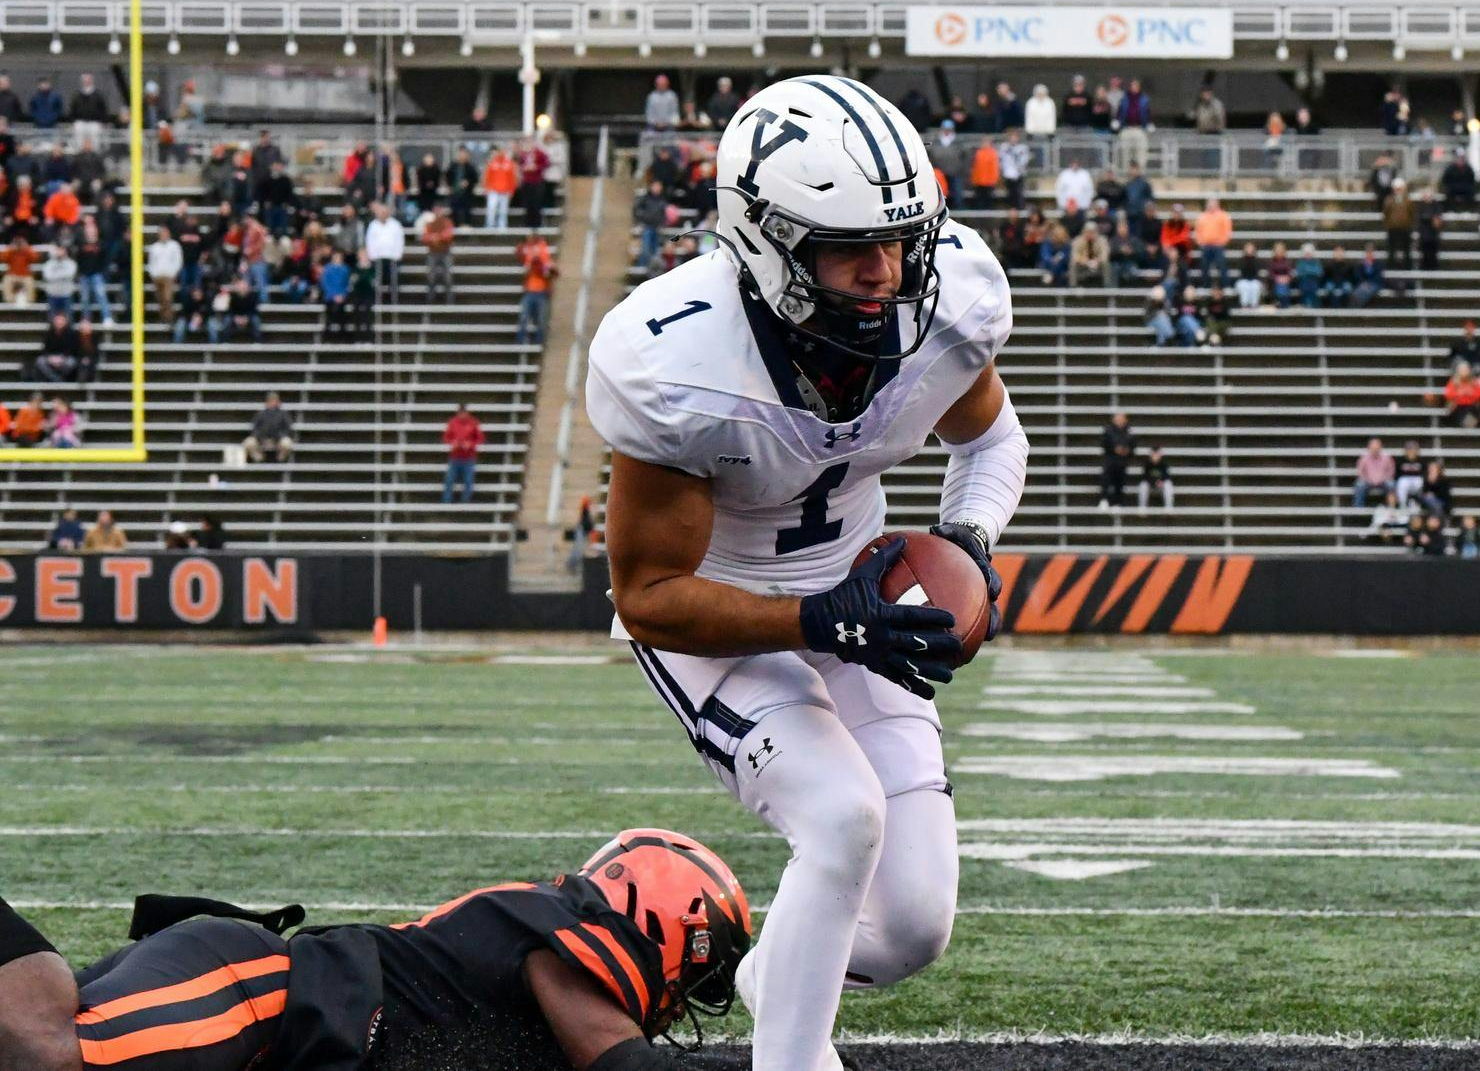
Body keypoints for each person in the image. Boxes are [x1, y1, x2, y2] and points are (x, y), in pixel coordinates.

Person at [584, 75, 1024, 1071]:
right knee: (842, 813)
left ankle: (766, 975)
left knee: (909, 925)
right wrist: (820, 618)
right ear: (765, 238)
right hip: (720, 618)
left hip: (855, 596)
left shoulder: (945, 304)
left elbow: (993, 442)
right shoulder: (683, 362)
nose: (883, 270)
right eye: (847, 245)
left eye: (898, 238)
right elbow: (648, 594)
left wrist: (966, 540)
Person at [0, 829, 751, 1071]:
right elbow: (622, 1061)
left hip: (269, 1033)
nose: (682, 1001)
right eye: (698, 970)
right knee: (51, 1053)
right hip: (259, 993)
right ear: (659, 918)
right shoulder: (561, 935)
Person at [516, 231, 556, 345]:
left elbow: (550, 273)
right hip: (531, 291)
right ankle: (522, 340)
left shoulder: (543, 256)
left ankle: (538, 342)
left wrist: (542, 268)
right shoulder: (530, 255)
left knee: (540, 320)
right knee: (525, 317)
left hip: (541, 292)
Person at [363, 201, 405, 304]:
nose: (382, 214)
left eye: (384, 212)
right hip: (377, 258)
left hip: (392, 257)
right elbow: (369, 241)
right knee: (377, 280)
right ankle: (377, 300)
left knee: (393, 280)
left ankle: (393, 301)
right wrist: (372, 256)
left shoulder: (396, 225)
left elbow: (400, 241)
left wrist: (397, 255)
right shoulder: (373, 225)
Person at [442, 402, 485, 503]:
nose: (462, 415)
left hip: (469, 457)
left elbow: (480, 438)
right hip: (455, 456)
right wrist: (453, 443)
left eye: (463, 413)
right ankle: (446, 501)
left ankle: (465, 502)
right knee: (449, 480)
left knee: (468, 481)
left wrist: (470, 444)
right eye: (460, 413)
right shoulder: (452, 422)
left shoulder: (473, 422)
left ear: (467, 413)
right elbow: (446, 437)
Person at [419, 202, 456, 303]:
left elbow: (449, 234)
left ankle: (450, 301)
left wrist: (436, 237)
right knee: (431, 278)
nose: (438, 212)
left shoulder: (447, 221)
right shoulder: (428, 223)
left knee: (448, 278)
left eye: (439, 210)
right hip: (433, 252)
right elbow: (424, 237)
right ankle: (430, 300)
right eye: (436, 210)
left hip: (445, 252)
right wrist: (434, 237)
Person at [1098, 411, 1135, 508]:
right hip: (1110, 459)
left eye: (1122, 418)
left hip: (1122, 461)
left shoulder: (1129, 431)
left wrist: (1128, 451)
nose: (1120, 420)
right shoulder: (1108, 430)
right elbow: (1104, 444)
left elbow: (1133, 445)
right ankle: (1104, 500)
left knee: (1120, 482)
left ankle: (1118, 503)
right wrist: (1114, 449)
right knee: (1106, 480)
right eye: (1118, 418)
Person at [244, 391, 294, 463]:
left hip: (278, 441)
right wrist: (260, 437)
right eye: (271, 401)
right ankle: (259, 459)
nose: (273, 403)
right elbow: (254, 429)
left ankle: (280, 459)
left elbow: (288, 429)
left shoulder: (284, 415)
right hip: (262, 440)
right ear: (267, 402)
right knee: (248, 442)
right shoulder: (260, 414)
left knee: (287, 443)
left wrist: (278, 436)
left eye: (275, 401)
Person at [482, 148, 520, 229]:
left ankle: (502, 226)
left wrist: (511, 190)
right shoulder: (492, 163)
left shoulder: (509, 164)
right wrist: (486, 189)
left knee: (503, 210)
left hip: (505, 190)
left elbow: (512, 179)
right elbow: (487, 177)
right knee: (491, 208)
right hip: (493, 190)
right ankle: (490, 225)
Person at [1352, 437, 1393, 507]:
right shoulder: (1363, 458)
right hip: (1368, 481)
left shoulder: (1387, 458)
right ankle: (1358, 508)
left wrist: (1383, 479)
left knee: (1391, 484)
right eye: (1373, 448)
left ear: (1380, 447)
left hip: (1383, 481)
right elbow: (1360, 472)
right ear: (1369, 448)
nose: (1375, 450)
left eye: (1377, 448)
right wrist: (1367, 479)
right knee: (1359, 484)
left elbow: (1391, 471)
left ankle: (1391, 508)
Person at [1138, 446, 1173, 510]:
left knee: (1168, 484)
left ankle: (1169, 509)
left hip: (1161, 488)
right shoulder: (1147, 465)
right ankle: (1142, 508)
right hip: (1150, 487)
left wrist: (1161, 482)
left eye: (1157, 454)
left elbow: (1167, 477)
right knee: (1143, 485)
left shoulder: (1164, 464)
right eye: (1154, 454)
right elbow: (1144, 477)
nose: (1155, 456)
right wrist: (1154, 482)